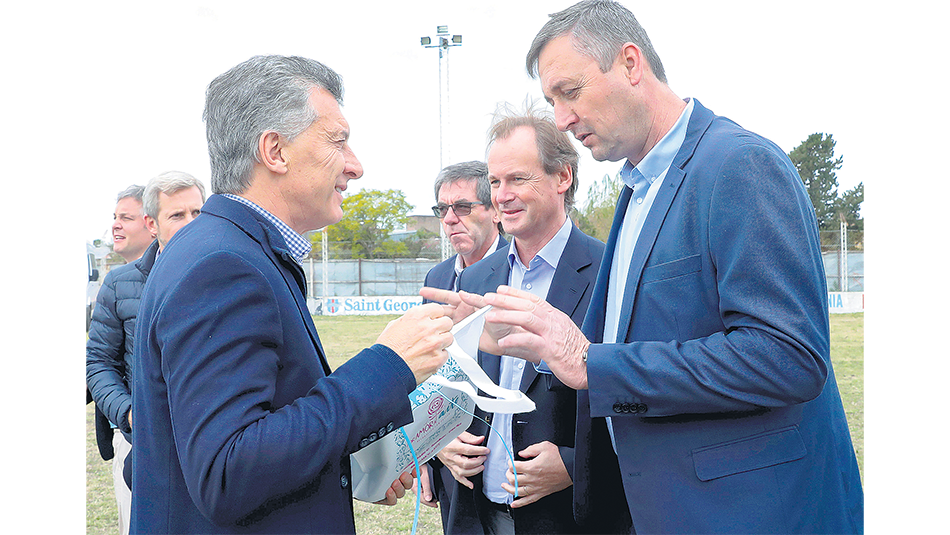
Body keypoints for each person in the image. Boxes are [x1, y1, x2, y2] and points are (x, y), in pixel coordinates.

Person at [466, 1, 864, 533]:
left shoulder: (738, 165)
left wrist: (590, 360)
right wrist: (529, 341)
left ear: (631, 64)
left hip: (748, 513)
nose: (561, 119)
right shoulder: (636, 189)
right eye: (551, 100)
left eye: (570, 92)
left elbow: (789, 357)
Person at [130, 55, 453, 535]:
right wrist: (388, 363)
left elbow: (260, 427)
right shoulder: (224, 265)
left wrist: (352, 463)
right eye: (338, 141)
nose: (356, 165)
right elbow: (227, 473)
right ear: (275, 151)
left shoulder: (229, 250)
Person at [423, 104, 605, 535]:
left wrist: (576, 463)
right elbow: (444, 384)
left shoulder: (609, 272)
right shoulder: (475, 279)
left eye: (517, 179)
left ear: (563, 177)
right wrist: (440, 442)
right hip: (473, 513)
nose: (501, 195)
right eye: (495, 181)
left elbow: (636, 393)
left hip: (565, 519)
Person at [421, 160, 508, 529]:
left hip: (511, 474)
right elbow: (425, 373)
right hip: (453, 473)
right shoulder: (437, 278)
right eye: (443, 209)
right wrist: (430, 449)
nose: (450, 218)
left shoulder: (519, 272)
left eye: (463, 207)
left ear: (495, 212)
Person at [85, 183, 155, 535]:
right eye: (114, 217)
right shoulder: (114, 283)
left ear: (151, 222)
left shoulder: (192, 272)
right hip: (134, 441)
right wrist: (127, 414)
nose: (115, 225)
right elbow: (98, 361)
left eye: (125, 218)